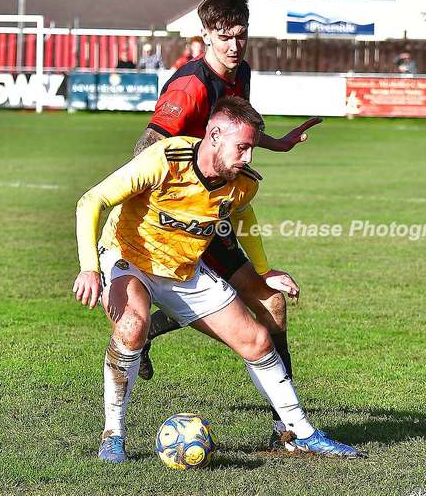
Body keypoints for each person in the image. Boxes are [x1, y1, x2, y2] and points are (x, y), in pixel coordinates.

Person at [73, 96, 365, 463]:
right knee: (132, 326)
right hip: (127, 258)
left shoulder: (241, 182)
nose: (248, 157)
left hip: (184, 270)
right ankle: (113, 435)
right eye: (242, 147)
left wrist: (264, 270)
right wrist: (90, 267)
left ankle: (302, 433)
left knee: (258, 341)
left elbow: (241, 212)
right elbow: (91, 201)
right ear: (214, 136)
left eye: (251, 148)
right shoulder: (165, 159)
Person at [132, 0, 322, 451]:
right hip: (177, 220)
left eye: (241, 35)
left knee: (270, 302)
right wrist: (165, 197)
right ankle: (290, 428)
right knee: (246, 301)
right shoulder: (190, 87)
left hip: (213, 212)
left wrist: (277, 143)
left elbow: (238, 130)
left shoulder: (243, 72)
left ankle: (285, 429)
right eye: (224, 36)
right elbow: (146, 147)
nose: (234, 46)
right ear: (205, 35)